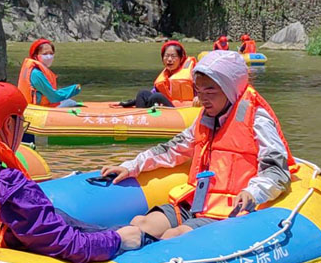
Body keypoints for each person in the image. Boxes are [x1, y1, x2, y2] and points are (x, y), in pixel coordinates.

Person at [0, 82, 142, 263]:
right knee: (127, 234)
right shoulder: (11, 184)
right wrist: (117, 240)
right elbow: (68, 245)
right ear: (9, 125)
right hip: (4, 249)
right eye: (21, 123)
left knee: (65, 218)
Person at [101, 51, 293, 241]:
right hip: (195, 202)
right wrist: (131, 166)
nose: (202, 99)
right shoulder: (204, 118)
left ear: (230, 89)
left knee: (173, 236)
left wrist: (253, 192)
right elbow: (171, 149)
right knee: (140, 223)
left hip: (228, 212)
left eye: (210, 91)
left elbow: (278, 171)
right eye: (199, 91)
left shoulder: (257, 119)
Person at [119, 40, 198, 108]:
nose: (169, 59)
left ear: (181, 58)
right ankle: (140, 116)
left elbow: (203, 88)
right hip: (169, 106)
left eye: (173, 56)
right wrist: (135, 101)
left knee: (157, 96)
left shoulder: (194, 73)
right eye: (166, 56)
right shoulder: (165, 75)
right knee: (142, 93)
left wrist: (199, 98)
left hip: (185, 108)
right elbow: (152, 93)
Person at [17, 39, 81, 108]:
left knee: (69, 102)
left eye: (51, 53)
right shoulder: (36, 74)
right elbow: (53, 97)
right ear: (35, 56)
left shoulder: (33, 70)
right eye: (45, 54)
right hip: (38, 108)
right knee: (71, 102)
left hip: (29, 106)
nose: (49, 56)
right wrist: (74, 89)